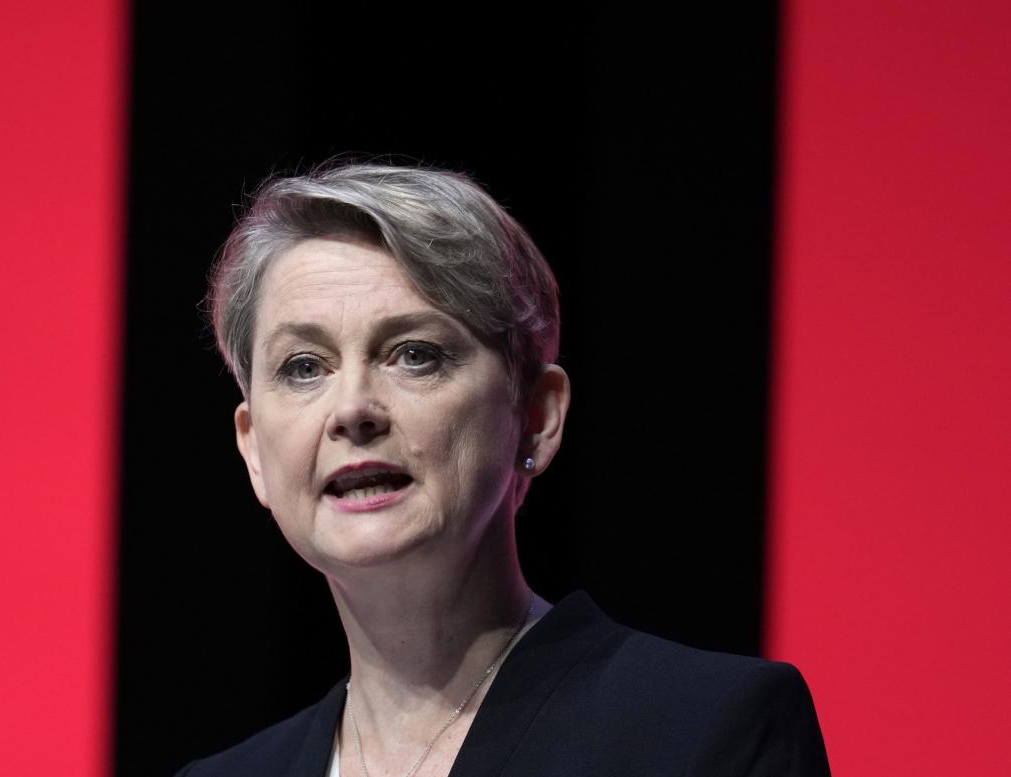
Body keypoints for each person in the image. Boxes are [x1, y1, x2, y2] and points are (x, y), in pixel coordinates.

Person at [179, 162, 830, 777]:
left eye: (414, 354)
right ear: (254, 450)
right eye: (303, 366)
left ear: (536, 417)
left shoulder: (704, 730)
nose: (352, 409)